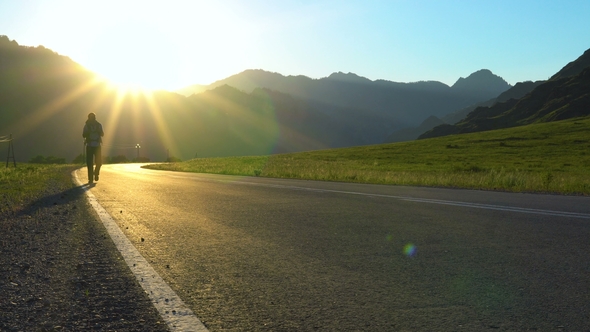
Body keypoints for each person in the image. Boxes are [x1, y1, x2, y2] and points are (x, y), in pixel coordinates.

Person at [82, 112, 104, 183]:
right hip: (90, 145)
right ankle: (91, 178)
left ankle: (96, 173)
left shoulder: (98, 125)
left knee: (99, 162)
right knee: (90, 163)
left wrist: (99, 132)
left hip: (96, 145)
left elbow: (102, 134)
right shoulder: (87, 126)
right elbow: (83, 135)